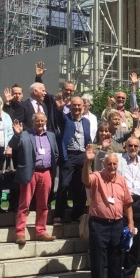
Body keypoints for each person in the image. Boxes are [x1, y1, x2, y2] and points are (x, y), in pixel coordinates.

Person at [82, 145, 134, 278]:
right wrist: (87, 162)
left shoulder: (121, 180)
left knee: (115, 262)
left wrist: (131, 223)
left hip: (117, 224)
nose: (112, 166)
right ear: (104, 164)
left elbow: (127, 203)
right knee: (98, 262)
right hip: (99, 224)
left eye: (114, 164)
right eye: (109, 164)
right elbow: (85, 181)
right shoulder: (97, 176)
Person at [10, 113, 58, 245]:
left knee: (43, 204)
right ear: (32, 122)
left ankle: (41, 231)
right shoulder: (25, 134)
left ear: (46, 121)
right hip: (30, 172)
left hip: (46, 172)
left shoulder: (51, 135)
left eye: (42, 121)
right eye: (37, 120)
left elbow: (56, 153)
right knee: (24, 204)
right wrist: (17, 134)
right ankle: (20, 233)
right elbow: (13, 145)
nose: (40, 123)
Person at [117, 133, 140, 278]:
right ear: (125, 145)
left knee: (135, 241)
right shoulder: (119, 160)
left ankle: (130, 274)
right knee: (121, 240)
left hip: (139, 203)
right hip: (122, 203)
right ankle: (117, 276)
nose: (133, 148)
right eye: (130, 145)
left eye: (136, 146)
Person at [54, 96, 91, 225]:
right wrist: (59, 109)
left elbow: (88, 137)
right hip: (69, 156)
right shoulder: (66, 119)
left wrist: (90, 147)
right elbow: (59, 118)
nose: (76, 108)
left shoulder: (86, 121)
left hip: (82, 156)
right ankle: (58, 215)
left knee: (80, 187)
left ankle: (77, 215)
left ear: (83, 107)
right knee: (64, 185)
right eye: (74, 105)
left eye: (79, 105)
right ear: (70, 107)